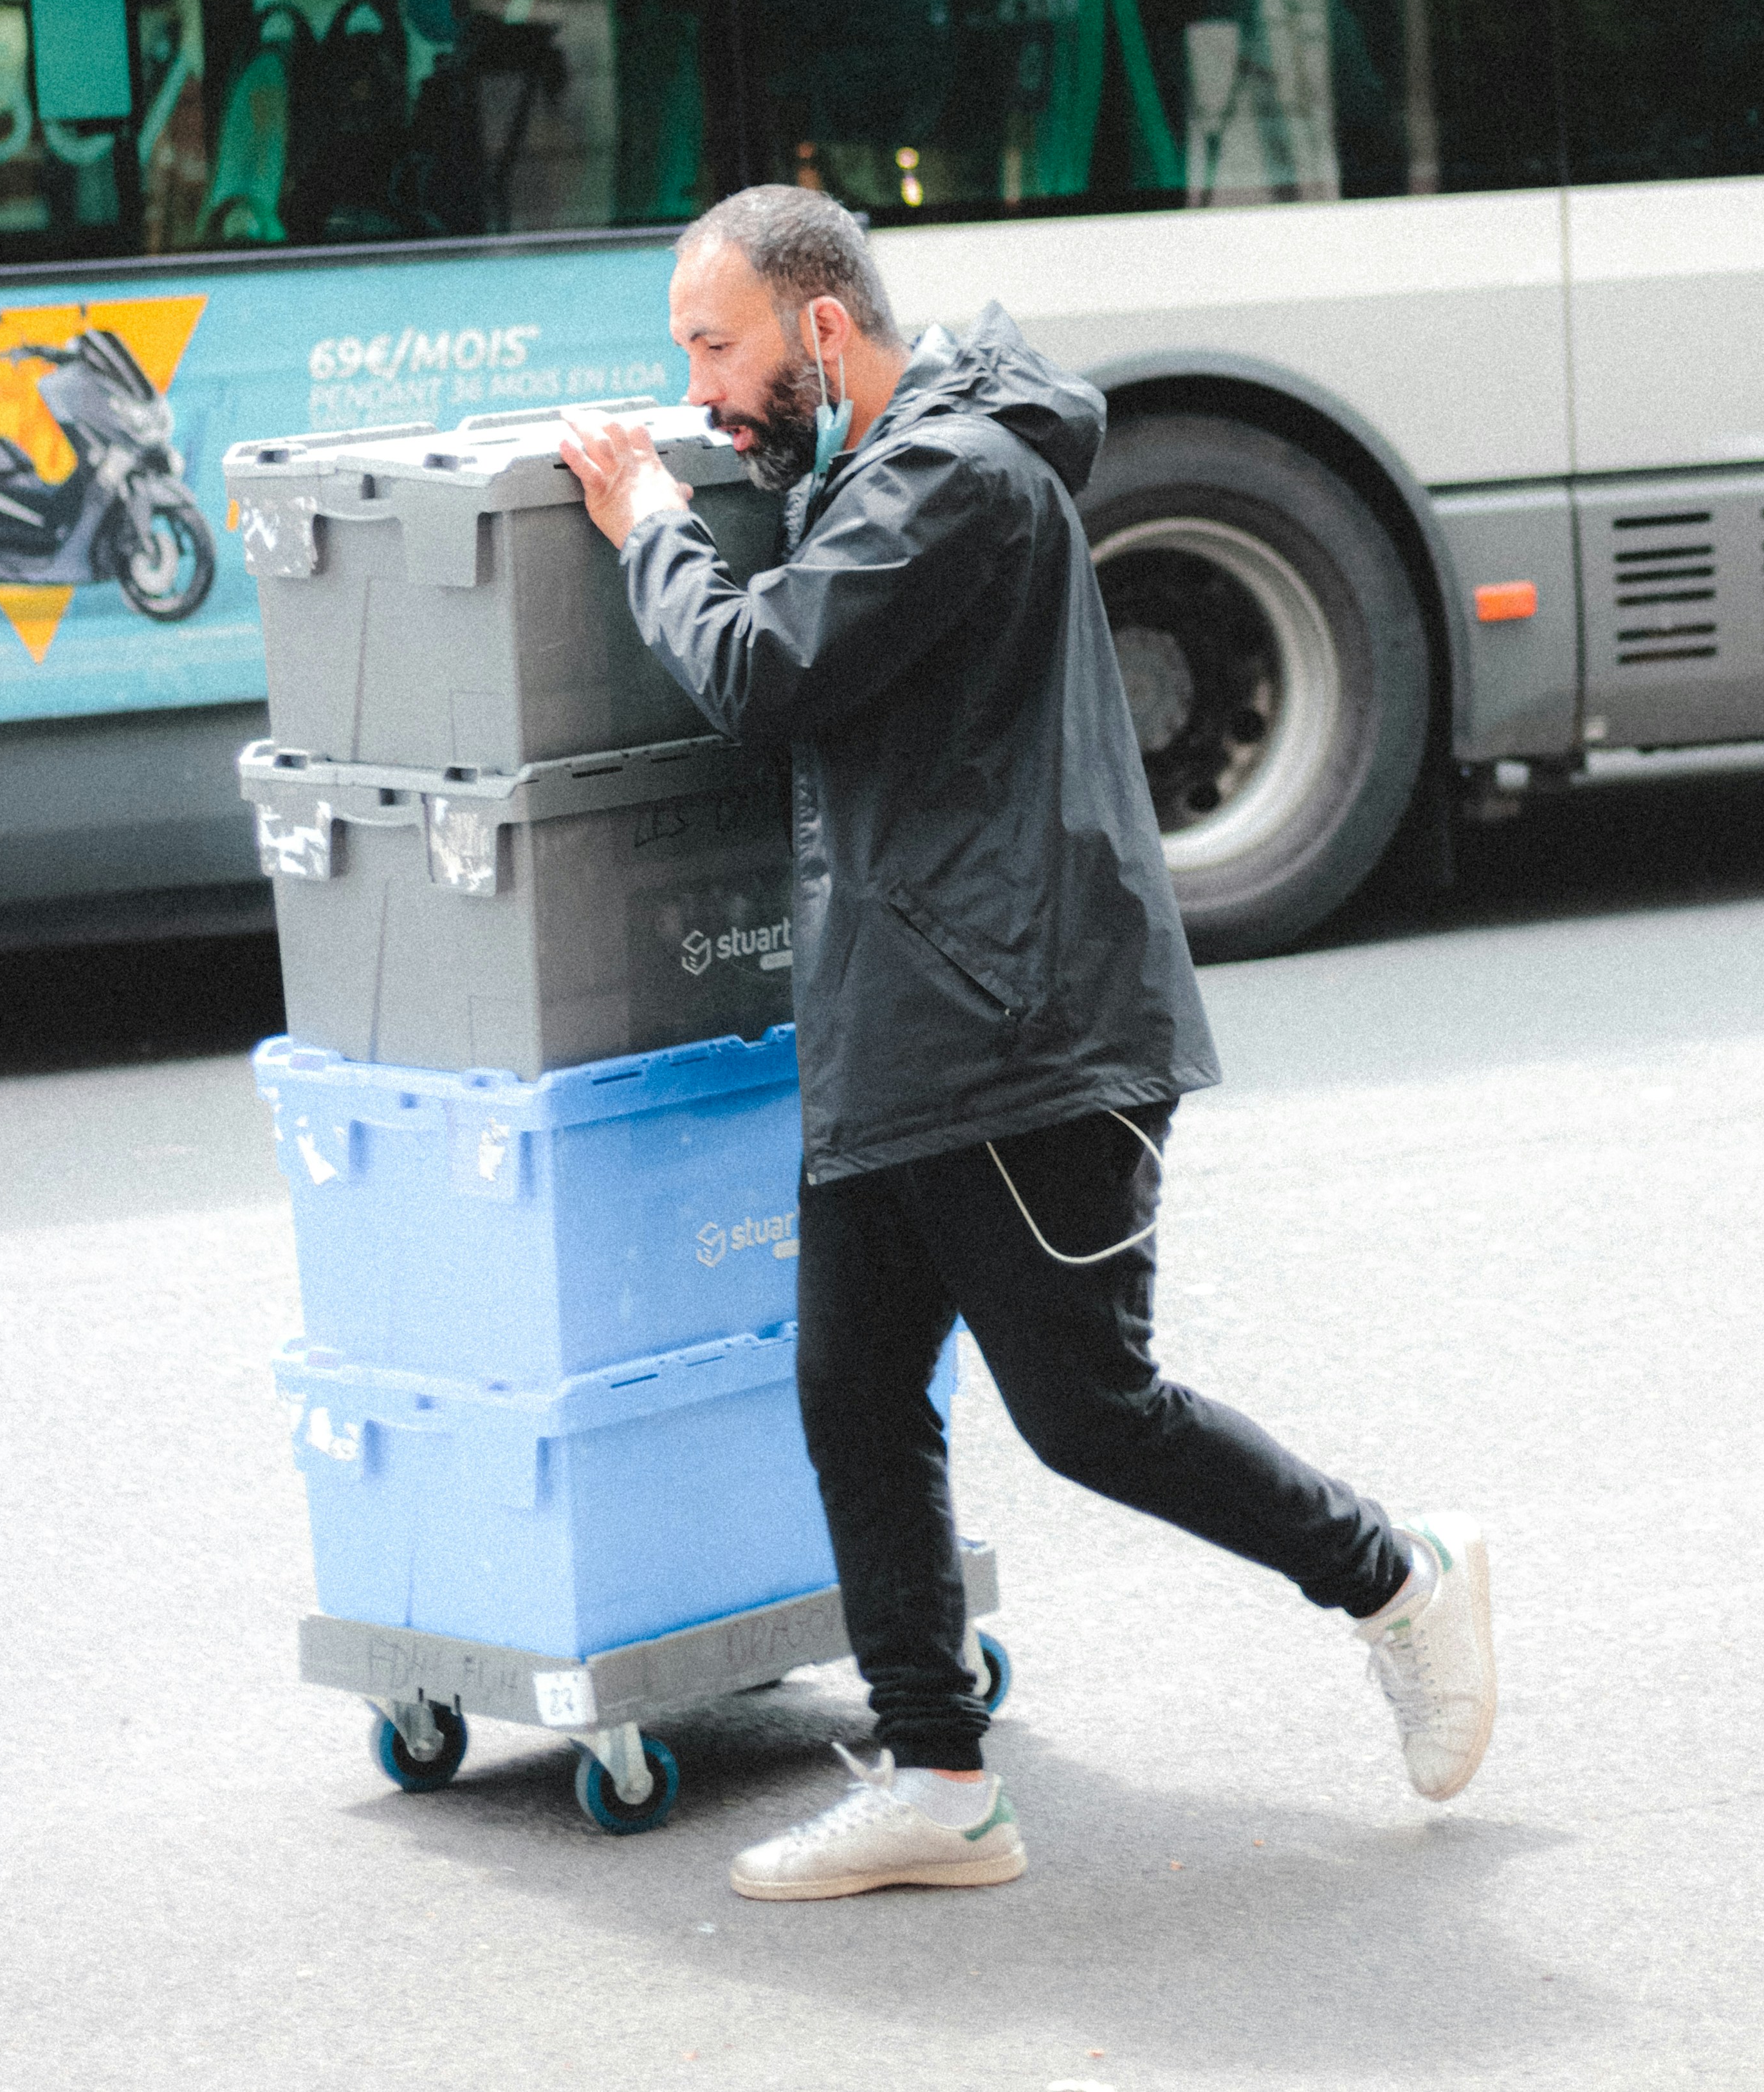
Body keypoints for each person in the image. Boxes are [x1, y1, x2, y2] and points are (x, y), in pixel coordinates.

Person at [560, 185, 1494, 1902]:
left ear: (819, 327)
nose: (698, 391)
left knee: (1091, 1412)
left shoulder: (949, 481)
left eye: (716, 344)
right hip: (904, 1020)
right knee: (849, 1389)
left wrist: (644, 523)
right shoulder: (885, 465)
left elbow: (764, 673)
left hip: (1017, 1028)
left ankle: (1396, 1574)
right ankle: (937, 1775)